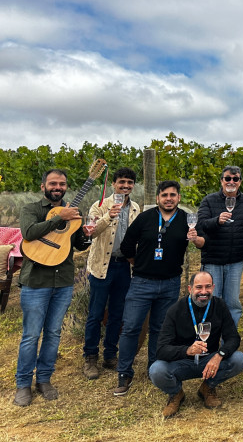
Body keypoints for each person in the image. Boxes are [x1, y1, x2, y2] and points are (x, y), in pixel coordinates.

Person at [114, 180, 205, 397]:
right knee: (131, 328)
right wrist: (140, 264)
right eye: (164, 195)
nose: (169, 198)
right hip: (141, 282)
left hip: (170, 283)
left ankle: (154, 368)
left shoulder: (186, 219)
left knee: (160, 329)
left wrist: (196, 239)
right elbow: (126, 245)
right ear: (157, 198)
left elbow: (202, 242)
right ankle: (124, 373)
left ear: (179, 198)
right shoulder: (145, 218)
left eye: (173, 195)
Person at [13, 169, 91, 407]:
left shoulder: (74, 212)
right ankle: (23, 384)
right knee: (31, 335)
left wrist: (87, 235)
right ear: (43, 186)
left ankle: (44, 379)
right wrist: (59, 218)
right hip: (36, 281)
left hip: (64, 281)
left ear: (67, 187)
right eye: (53, 183)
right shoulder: (31, 209)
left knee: (54, 333)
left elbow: (76, 243)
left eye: (62, 184)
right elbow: (28, 233)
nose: (58, 187)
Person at [148, 271, 243, 418]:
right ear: (190, 289)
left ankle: (208, 388)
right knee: (156, 370)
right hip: (182, 362)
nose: (204, 292)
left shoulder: (219, 306)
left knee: (239, 359)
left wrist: (219, 356)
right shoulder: (175, 310)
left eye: (208, 287)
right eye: (199, 287)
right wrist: (187, 350)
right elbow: (161, 350)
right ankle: (176, 394)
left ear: (213, 287)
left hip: (209, 362)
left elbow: (233, 338)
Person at [82, 167, 141, 380]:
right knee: (96, 313)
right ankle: (90, 357)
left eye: (129, 182)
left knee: (117, 313)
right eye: (121, 182)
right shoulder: (99, 206)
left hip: (124, 266)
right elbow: (91, 232)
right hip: (101, 267)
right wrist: (109, 215)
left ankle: (109, 354)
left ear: (133, 185)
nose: (125, 186)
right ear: (114, 184)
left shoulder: (135, 208)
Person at [197, 166, 243, 327]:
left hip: (236, 261)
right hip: (213, 260)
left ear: (240, 182)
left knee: (233, 303)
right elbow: (200, 225)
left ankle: (229, 337)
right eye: (228, 178)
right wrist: (217, 221)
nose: (231, 182)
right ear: (221, 181)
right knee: (212, 300)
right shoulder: (209, 200)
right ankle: (210, 338)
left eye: (235, 179)